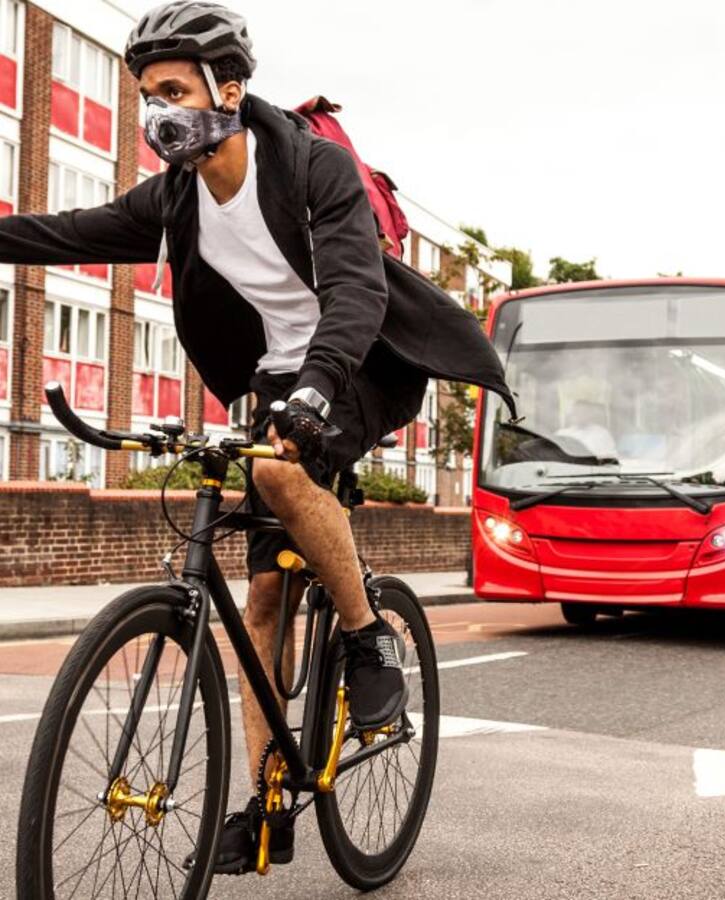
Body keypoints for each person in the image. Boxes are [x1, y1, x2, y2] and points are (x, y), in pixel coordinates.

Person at [0, 1, 513, 875]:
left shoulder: (313, 171)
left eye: (171, 90)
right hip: (279, 380)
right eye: (146, 96)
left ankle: (365, 641)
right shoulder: (177, 196)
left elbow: (357, 291)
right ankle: (267, 797)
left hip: (362, 364)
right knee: (265, 602)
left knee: (280, 474)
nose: (156, 111)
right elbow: (71, 231)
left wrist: (317, 390)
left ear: (227, 89)